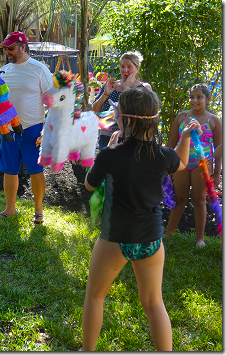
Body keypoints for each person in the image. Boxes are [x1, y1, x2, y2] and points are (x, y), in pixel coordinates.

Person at [82, 87, 202, 351]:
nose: (115, 115)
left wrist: (109, 150)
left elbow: (90, 185)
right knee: (153, 303)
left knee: (95, 295)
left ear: (126, 120)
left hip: (115, 239)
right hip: (151, 241)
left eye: (117, 112)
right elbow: (181, 162)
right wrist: (184, 137)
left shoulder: (110, 154)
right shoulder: (164, 155)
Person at [0, 31, 53, 224]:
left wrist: (48, 129)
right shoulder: (5, 70)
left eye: (11, 48)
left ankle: (39, 211)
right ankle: (10, 209)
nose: (7, 51)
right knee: (10, 170)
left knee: (36, 171)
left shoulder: (39, 69)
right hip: (9, 130)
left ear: (23, 47)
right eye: (5, 48)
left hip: (33, 129)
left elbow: (52, 101)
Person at [164, 84, 222, 247]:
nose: (194, 100)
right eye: (191, 97)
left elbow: (219, 149)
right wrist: (167, 167)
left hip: (202, 165)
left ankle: (200, 239)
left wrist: (217, 173)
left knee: (199, 200)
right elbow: (170, 144)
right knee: (180, 199)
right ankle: (168, 233)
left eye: (199, 97)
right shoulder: (181, 117)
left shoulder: (214, 121)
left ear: (208, 100)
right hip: (181, 164)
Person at [92, 51, 152, 151]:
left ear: (137, 68)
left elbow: (139, 114)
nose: (125, 70)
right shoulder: (111, 85)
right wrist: (106, 93)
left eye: (129, 67)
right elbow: (95, 110)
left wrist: (127, 88)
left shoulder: (144, 88)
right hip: (106, 138)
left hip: (131, 140)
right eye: (122, 66)